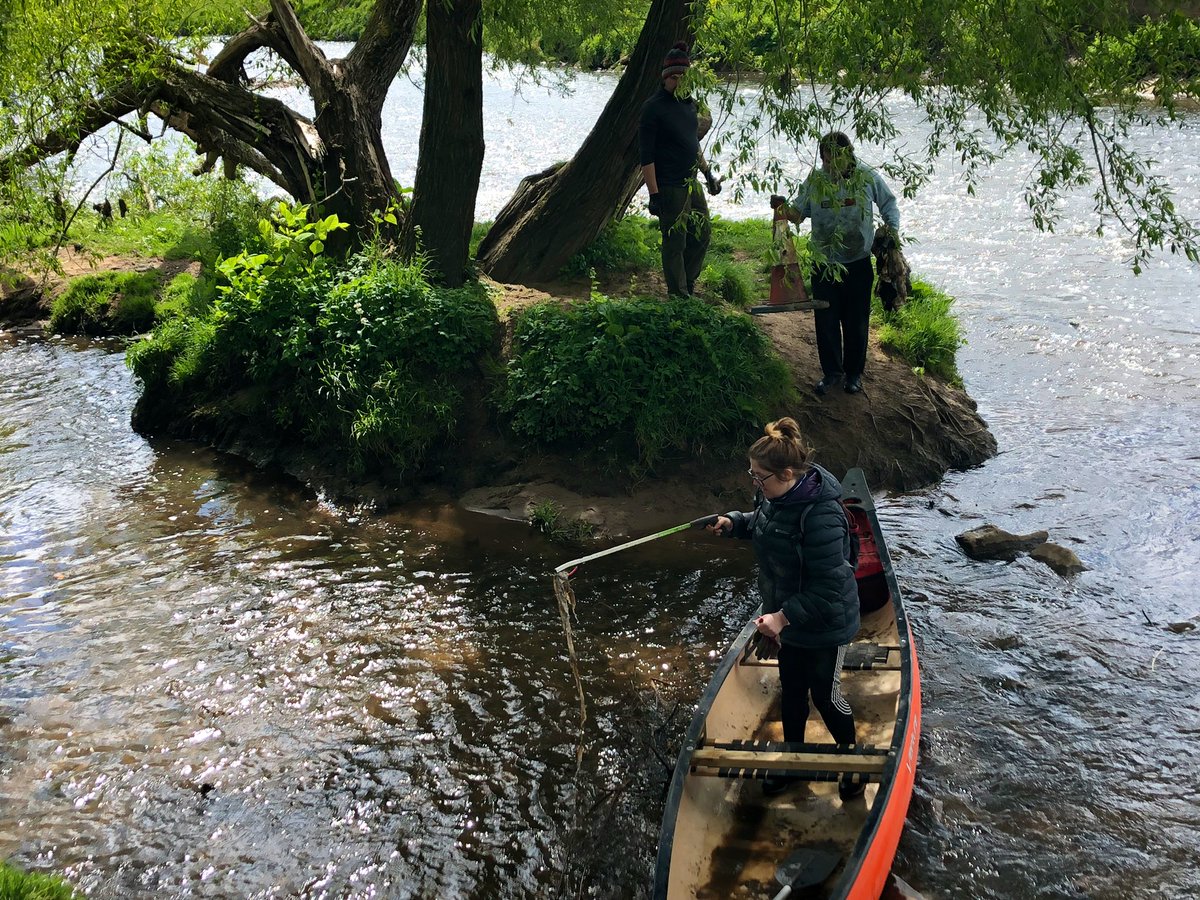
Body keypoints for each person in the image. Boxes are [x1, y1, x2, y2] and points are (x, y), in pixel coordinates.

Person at [708, 417, 864, 800]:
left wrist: (782, 616)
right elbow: (763, 524)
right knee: (792, 690)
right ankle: (793, 762)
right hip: (787, 617)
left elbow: (831, 584)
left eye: (760, 477)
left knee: (826, 695)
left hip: (825, 621)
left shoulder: (822, 515)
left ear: (788, 474)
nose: (754, 483)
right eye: (752, 474)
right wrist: (735, 523)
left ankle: (852, 759)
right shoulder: (772, 496)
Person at [770, 132, 900, 395]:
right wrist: (782, 208)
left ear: (848, 155)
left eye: (836, 160)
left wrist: (892, 232)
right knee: (826, 320)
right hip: (824, 263)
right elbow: (797, 214)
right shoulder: (815, 181)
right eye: (827, 161)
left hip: (858, 261)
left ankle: (853, 375)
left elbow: (889, 204)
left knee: (856, 321)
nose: (831, 166)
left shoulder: (867, 177)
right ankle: (832, 373)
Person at [638, 41, 721, 299]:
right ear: (665, 78)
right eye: (674, 77)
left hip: (691, 181)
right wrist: (654, 195)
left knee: (702, 233)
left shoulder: (689, 105)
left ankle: (688, 284)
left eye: (683, 77)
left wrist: (708, 175)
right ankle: (678, 295)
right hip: (669, 186)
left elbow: (693, 143)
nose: (678, 82)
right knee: (675, 242)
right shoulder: (653, 107)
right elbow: (646, 157)